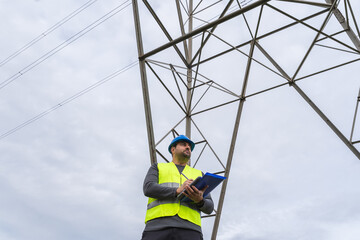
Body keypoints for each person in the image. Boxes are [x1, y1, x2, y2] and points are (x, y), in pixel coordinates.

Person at [141, 135, 214, 240]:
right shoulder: (158, 167)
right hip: (157, 228)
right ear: (173, 149)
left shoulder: (199, 174)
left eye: (189, 146)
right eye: (184, 144)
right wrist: (177, 190)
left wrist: (200, 200)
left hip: (190, 230)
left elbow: (210, 207)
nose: (188, 147)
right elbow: (148, 188)